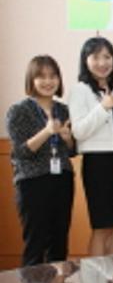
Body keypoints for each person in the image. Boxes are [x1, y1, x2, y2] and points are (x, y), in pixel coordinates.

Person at [70, 37, 113, 256]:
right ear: (85, 60)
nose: (102, 63)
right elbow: (78, 131)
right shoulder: (79, 90)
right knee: (102, 228)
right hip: (98, 165)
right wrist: (103, 107)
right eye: (96, 57)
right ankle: (96, 277)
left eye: (107, 57)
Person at [6, 55, 75, 266]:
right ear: (31, 79)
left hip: (62, 179)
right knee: (35, 244)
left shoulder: (64, 110)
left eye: (53, 76)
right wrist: (46, 132)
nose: (48, 81)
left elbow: (72, 151)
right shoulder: (19, 110)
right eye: (41, 76)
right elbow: (20, 152)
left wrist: (67, 138)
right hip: (32, 182)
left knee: (59, 242)